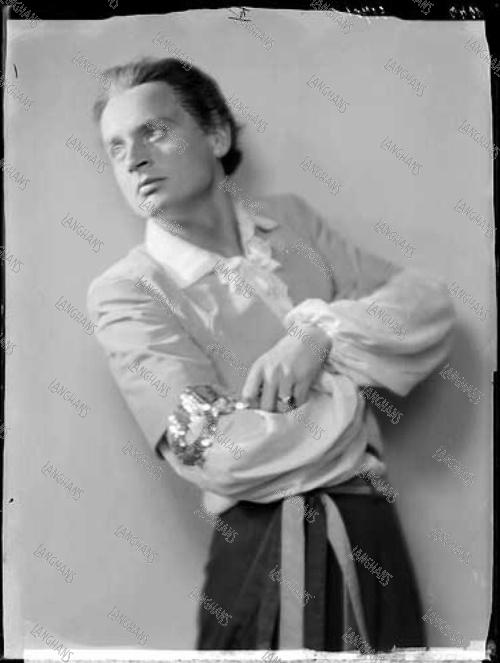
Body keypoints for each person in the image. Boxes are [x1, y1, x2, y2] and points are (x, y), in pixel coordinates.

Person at [87, 56, 455, 652]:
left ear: (216, 134)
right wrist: (350, 395)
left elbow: (425, 306)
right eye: (116, 148)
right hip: (265, 553)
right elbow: (215, 450)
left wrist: (315, 339)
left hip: (373, 533)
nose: (134, 159)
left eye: (154, 130)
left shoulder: (290, 222)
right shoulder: (127, 292)